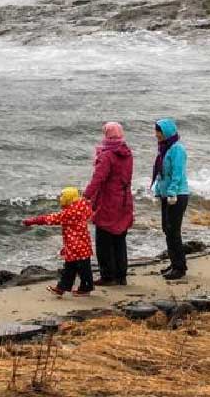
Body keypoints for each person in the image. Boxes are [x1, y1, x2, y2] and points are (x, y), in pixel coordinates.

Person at [83, 121, 134, 286]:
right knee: (120, 239)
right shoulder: (127, 153)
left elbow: (98, 178)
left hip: (108, 201)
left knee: (104, 240)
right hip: (124, 200)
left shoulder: (106, 155)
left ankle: (107, 276)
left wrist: (85, 196)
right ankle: (121, 276)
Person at [22, 187, 95, 296]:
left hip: (75, 246)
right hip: (83, 245)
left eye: (62, 196)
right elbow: (89, 206)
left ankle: (78, 288)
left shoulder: (68, 213)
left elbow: (49, 219)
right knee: (79, 268)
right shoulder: (83, 207)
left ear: (68, 199)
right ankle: (68, 288)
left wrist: (31, 221)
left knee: (74, 269)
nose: (60, 198)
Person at [151, 118, 189, 281]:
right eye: (156, 131)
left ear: (166, 131)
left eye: (158, 131)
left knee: (173, 230)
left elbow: (177, 173)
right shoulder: (164, 148)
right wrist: (159, 191)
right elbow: (161, 174)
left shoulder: (177, 149)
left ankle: (179, 267)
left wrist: (172, 191)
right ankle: (175, 263)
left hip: (178, 195)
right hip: (167, 195)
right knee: (167, 229)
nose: (156, 134)